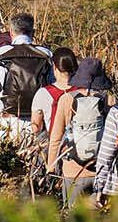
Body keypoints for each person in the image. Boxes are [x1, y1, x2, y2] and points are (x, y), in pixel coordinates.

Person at [47, 56, 112, 208]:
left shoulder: (66, 99)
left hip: (72, 170)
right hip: (99, 170)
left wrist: (51, 166)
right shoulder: (108, 100)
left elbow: (56, 137)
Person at [0, 13, 52, 143]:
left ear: (11, 32)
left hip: (7, 122)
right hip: (37, 122)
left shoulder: (0, 54)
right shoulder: (46, 54)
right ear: (33, 32)